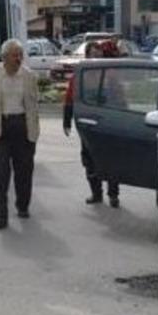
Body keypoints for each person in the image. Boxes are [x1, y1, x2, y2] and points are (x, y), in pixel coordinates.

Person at [0, 38, 41, 230]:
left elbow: (34, 102)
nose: (19, 59)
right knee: (1, 172)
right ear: (4, 57)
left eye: (20, 55)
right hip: (0, 126)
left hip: (23, 125)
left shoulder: (29, 76)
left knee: (24, 169)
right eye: (15, 55)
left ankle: (22, 206)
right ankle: (1, 216)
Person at [63, 41, 120, 207]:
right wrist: (66, 121)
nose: (96, 58)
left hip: (108, 124)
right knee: (89, 160)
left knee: (111, 160)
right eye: (93, 55)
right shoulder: (81, 75)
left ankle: (113, 195)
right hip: (88, 124)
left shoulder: (111, 74)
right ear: (87, 56)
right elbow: (69, 98)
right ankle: (96, 193)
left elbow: (120, 99)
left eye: (99, 55)